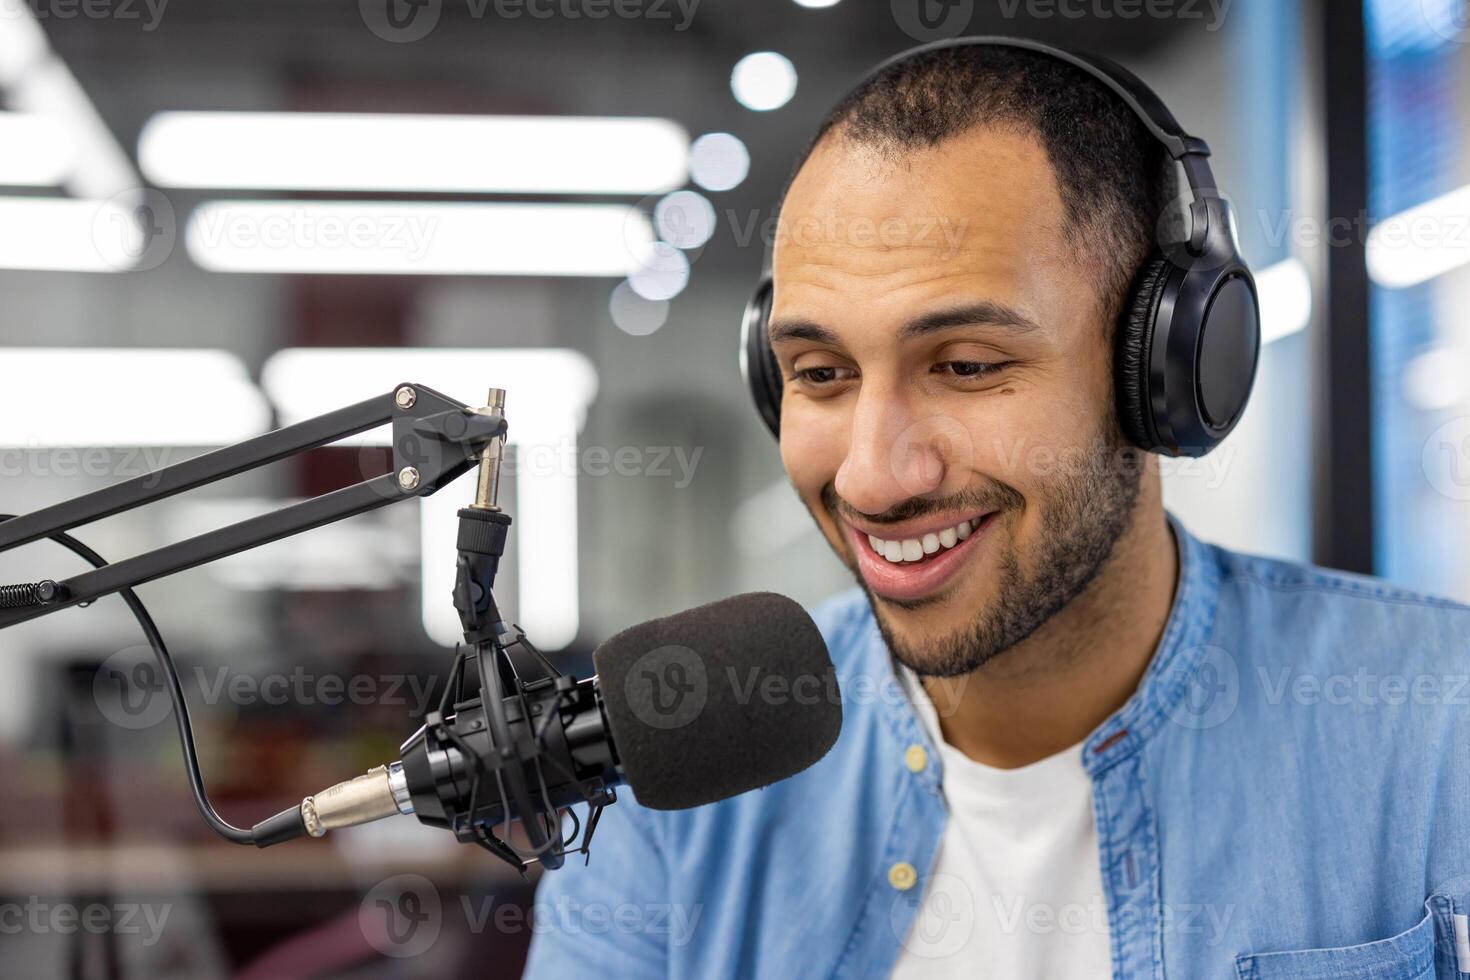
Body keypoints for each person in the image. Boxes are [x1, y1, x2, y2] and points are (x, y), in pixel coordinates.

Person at [525, 39, 1470, 979]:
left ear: (1168, 370)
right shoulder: (671, 783)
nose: (871, 478)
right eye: (820, 374)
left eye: (967, 366)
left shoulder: (1437, 734)